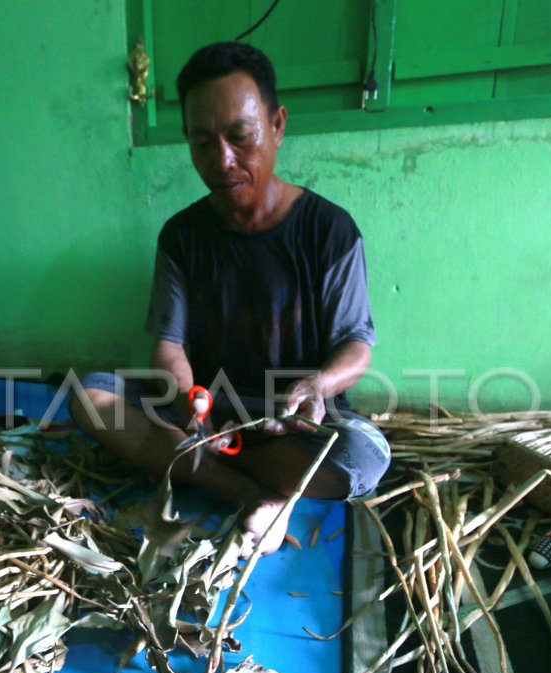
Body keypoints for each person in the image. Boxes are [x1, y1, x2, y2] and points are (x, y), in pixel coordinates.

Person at [72, 41, 390, 558]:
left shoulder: (329, 230)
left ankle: (205, 466)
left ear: (278, 125)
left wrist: (320, 384)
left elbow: (356, 344)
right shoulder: (182, 237)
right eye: (202, 143)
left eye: (240, 137)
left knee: (363, 460)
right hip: (206, 409)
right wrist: (188, 403)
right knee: (92, 395)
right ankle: (250, 491)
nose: (222, 161)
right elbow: (169, 348)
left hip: (293, 420)